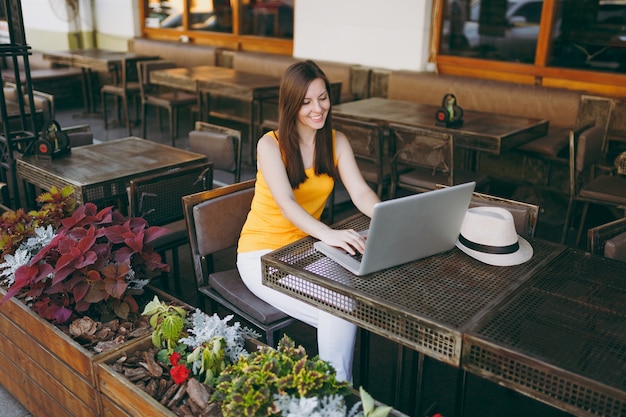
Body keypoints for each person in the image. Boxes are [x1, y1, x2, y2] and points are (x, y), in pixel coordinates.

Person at [237, 60, 380, 382]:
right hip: (260, 255)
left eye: (323, 98)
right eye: (306, 102)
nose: (318, 108)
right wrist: (329, 234)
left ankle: (330, 394)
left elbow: (360, 192)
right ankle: (335, 393)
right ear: (290, 104)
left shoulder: (336, 140)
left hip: (306, 250)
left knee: (350, 302)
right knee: (342, 310)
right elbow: (287, 204)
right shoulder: (270, 144)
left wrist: (389, 218)